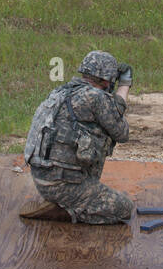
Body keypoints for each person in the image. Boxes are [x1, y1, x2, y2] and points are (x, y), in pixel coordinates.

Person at [24, 51, 134, 224]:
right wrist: (125, 84)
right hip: (64, 184)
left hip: (44, 179)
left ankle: (67, 200)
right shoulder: (95, 97)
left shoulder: (62, 91)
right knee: (124, 208)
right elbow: (122, 132)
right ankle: (67, 210)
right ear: (106, 81)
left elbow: (112, 114)